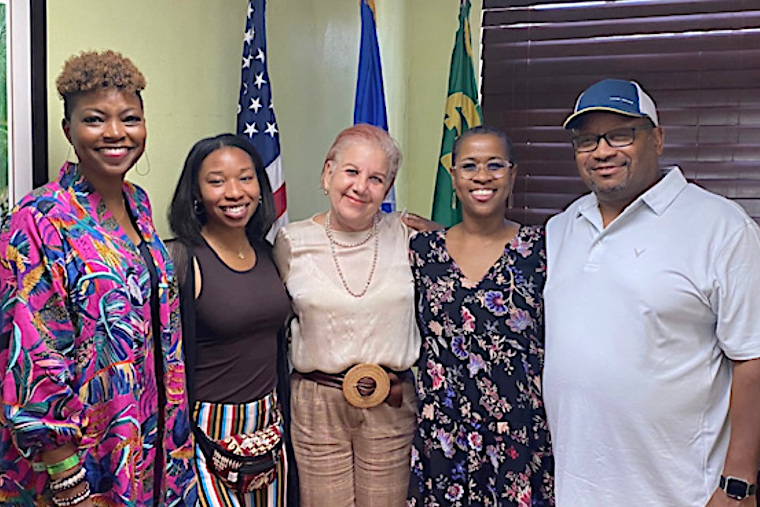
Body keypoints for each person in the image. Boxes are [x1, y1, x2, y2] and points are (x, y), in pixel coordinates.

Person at [543, 78, 760, 506]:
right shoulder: (563, 226)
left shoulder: (722, 228)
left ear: (657, 139)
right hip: (578, 489)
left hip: (681, 493)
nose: (602, 151)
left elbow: (752, 360)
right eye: (586, 140)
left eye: (620, 134)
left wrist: (738, 485)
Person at [0, 50, 196, 505]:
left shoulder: (139, 204)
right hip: (81, 467)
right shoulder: (39, 219)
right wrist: (70, 482)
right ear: (69, 131)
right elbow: (34, 358)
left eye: (129, 118)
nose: (115, 133)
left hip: (156, 452)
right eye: (94, 119)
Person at [273, 124, 421, 506]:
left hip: (391, 400)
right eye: (351, 172)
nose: (361, 187)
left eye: (376, 179)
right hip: (318, 401)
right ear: (328, 174)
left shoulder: (407, 236)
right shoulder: (292, 242)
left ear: (386, 191)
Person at [407, 126, 554, 506]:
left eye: (495, 165)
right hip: (443, 437)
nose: (482, 176)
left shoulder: (543, 249)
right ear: (453, 176)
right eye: (469, 166)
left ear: (513, 174)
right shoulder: (423, 252)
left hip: (518, 437)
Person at [166, 133, 295, 507]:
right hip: (203, 434)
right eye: (217, 181)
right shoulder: (179, 260)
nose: (234, 192)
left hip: (269, 430)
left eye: (245, 177)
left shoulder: (269, 253)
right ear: (195, 192)